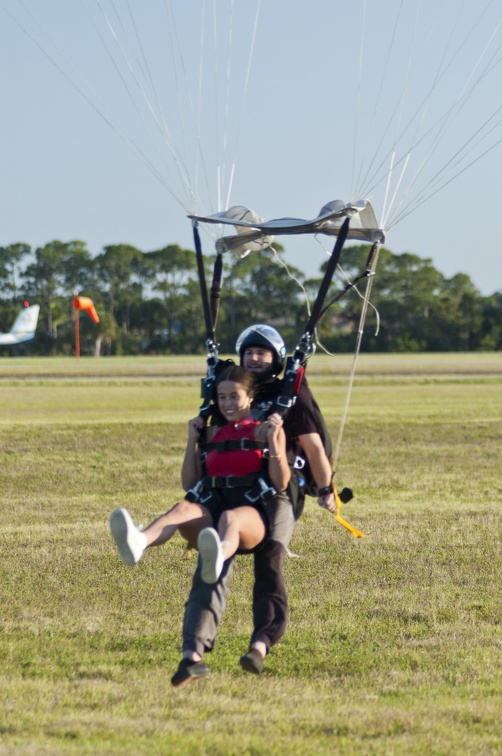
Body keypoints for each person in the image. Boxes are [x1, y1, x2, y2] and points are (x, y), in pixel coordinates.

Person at [177, 324, 336, 685]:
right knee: (212, 561)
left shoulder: (291, 397)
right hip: (228, 491)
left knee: (270, 565)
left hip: (275, 494)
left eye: (262, 353)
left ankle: (260, 645)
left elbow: (313, 447)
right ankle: (193, 653)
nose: (254, 358)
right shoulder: (230, 391)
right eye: (249, 353)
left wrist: (326, 487)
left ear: (276, 359)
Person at [109, 365, 290, 680]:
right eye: (222, 397)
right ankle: (139, 542)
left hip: (250, 513)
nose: (228, 403)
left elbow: (281, 481)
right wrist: (192, 441)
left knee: (231, 520)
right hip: (212, 506)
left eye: (235, 396)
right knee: (182, 508)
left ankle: (218, 554)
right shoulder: (211, 432)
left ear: (250, 398)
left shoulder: (263, 428)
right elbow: (189, 481)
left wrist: (275, 441)